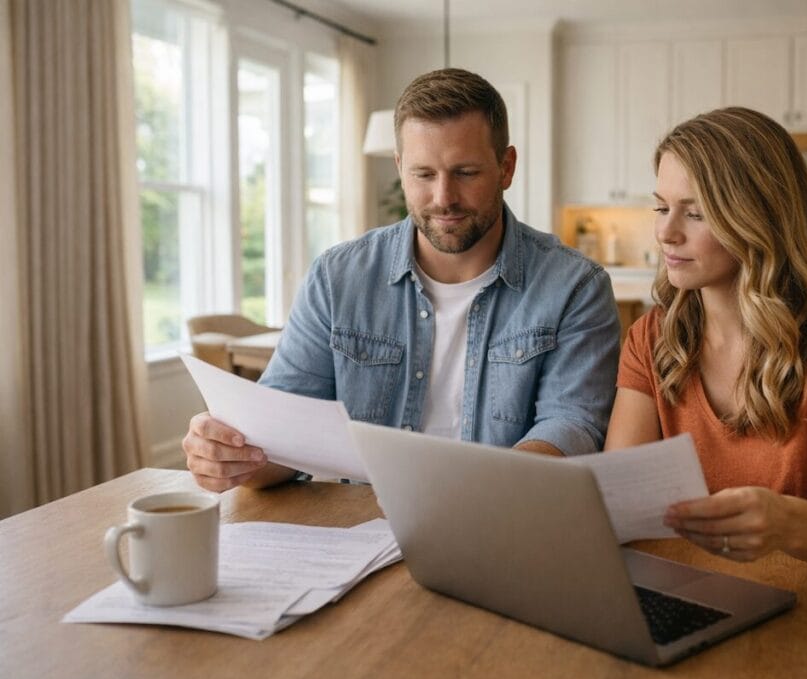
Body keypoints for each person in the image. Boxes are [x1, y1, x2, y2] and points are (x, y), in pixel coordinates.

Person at [184, 68, 620, 492]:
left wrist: (481, 494)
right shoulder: (337, 278)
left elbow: (573, 426)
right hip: (364, 528)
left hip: (501, 522)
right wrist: (232, 457)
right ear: (400, 167)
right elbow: (281, 437)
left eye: (466, 173)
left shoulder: (575, 286)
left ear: (506, 167)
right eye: (423, 174)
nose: (443, 198)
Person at [606, 107, 807, 569]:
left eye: (695, 213)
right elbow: (620, 504)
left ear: (759, 218)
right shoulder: (651, 337)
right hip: (695, 590)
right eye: (661, 207)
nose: (665, 232)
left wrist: (783, 522)